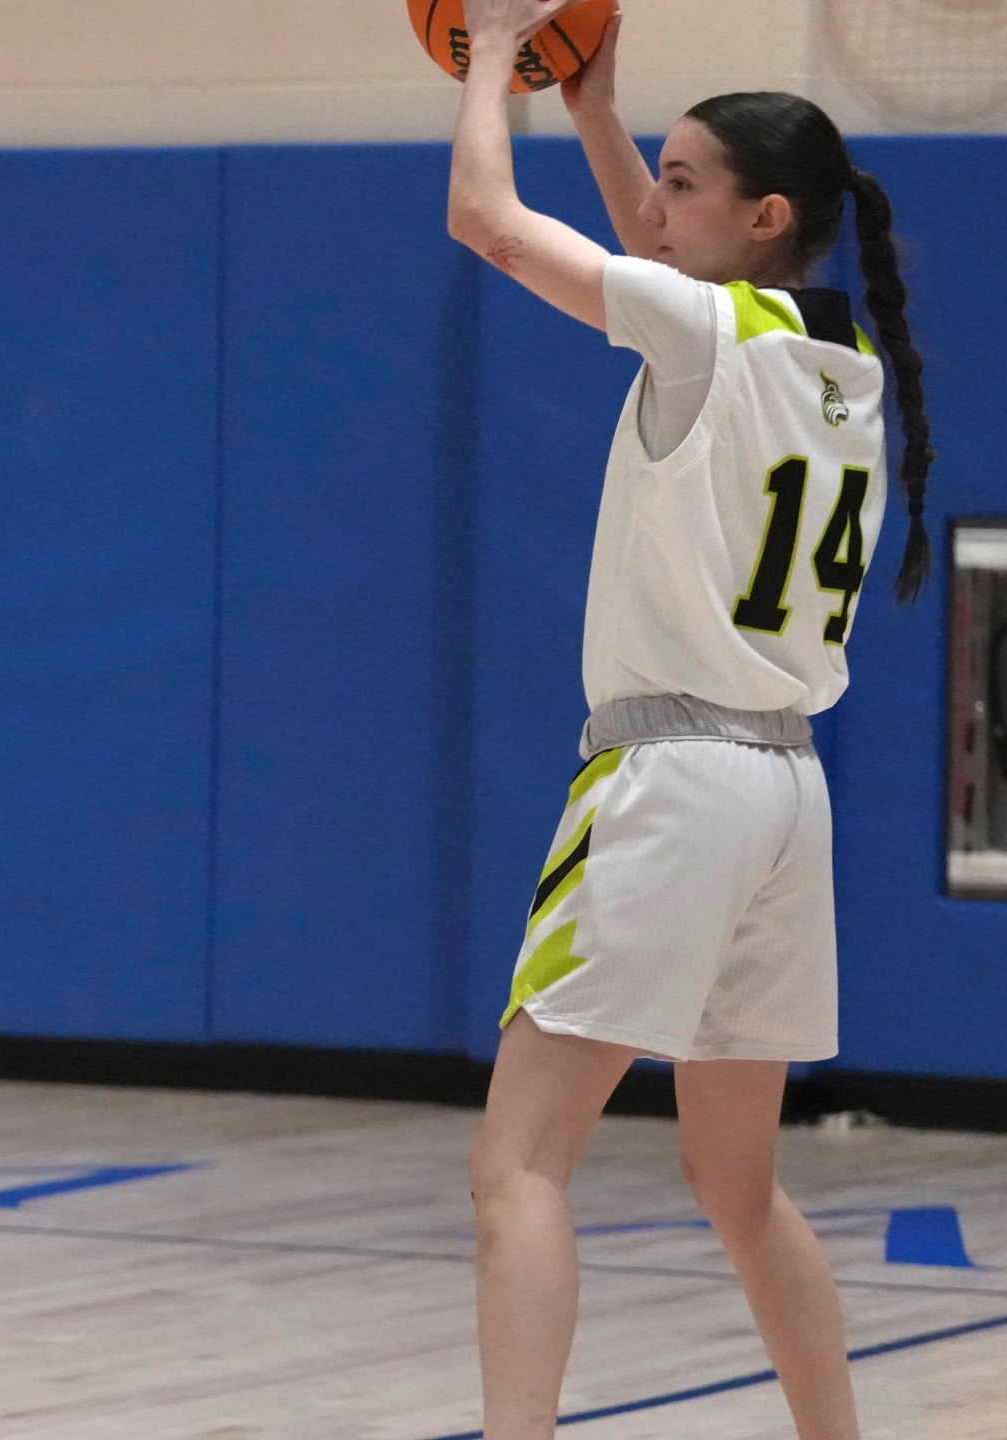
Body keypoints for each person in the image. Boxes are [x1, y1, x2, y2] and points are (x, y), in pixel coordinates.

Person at [446, 5, 934, 1438]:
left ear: (764, 215)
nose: (654, 207)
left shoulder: (704, 333)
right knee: (739, 1186)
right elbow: (663, 274)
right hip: (788, 798)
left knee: (517, 1169)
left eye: (679, 179)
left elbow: (483, 217)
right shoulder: (836, 357)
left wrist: (488, 56)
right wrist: (602, 118)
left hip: (669, 782)